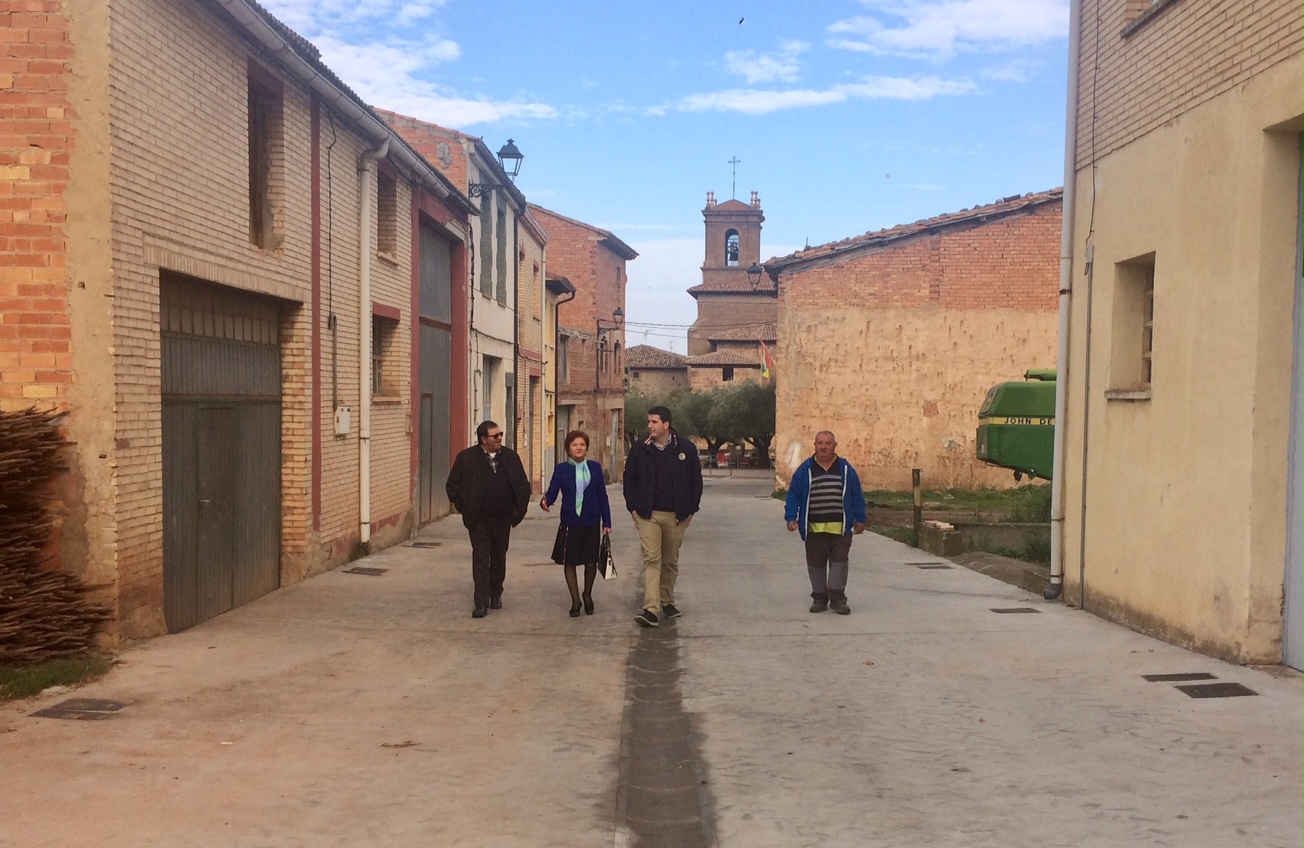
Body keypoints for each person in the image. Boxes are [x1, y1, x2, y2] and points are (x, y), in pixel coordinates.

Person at [623, 406, 703, 628]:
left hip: (677, 516)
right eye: (648, 421)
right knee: (651, 560)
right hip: (648, 515)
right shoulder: (640, 449)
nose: (650, 425)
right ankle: (650, 609)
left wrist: (691, 510)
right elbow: (629, 479)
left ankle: (666, 600)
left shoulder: (685, 448)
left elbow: (696, 481)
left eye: (654, 422)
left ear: (666, 424)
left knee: (670, 561)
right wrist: (633, 509)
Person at [445, 420, 531, 618]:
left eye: (500, 434)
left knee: (499, 557)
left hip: (502, 518)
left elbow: (522, 486)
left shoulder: (510, 457)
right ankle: (481, 602)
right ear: (483, 439)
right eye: (495, 436)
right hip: (479, 520)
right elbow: (453, 486)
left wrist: (517, 513)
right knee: (481, 558)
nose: (500, 438)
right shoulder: (467, 458)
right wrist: (465, 508)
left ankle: (495, 593)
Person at [784, 430, 867, 615]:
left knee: (839, 564)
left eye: (827, 443)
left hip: (840, 530)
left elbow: (856, 495)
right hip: (814, 530)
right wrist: (791, 517)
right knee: (816, 565)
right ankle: (819, 598)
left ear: (834, 446)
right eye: (820, 443)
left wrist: (860, 518)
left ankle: (838, 599)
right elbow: (793, 496)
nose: (823, 447)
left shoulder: (845, 469)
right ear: (814, 446)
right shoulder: (805, 470)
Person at [540, 430, 613, 617]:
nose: (578, 448)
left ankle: (587, 594)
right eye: (574, 445)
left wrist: (607, 521)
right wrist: (546, 501)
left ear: (586, 447)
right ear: (568, 449)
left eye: (581, 444)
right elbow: (553, 491)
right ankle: (575, 601)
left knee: (591, 561)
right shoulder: (561, 469)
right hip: (570, 522)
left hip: (591, 521)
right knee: (570, 562)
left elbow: (602, 497)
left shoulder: (595, 468)